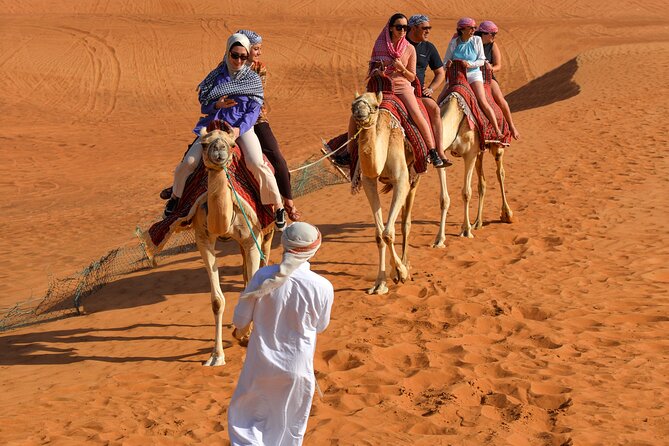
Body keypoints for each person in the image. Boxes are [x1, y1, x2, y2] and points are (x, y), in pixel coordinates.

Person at [228, 221, 334, 446]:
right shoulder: (323, 286)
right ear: (314, 249)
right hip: (297, 369)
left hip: (259, 368)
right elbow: (320, 326)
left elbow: (239, 320)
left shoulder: (262, 276)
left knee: (246, 425)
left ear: (284, 245)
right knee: (289, 430)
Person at [165, 33, 286, 229]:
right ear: (228, 53)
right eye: (234, 55)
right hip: (216, 126)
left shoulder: (253, 79)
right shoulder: (216, 76)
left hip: (241, 128)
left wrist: (239, 130)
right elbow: (204, 105)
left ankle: (278, 206)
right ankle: (175, 198)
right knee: (189, 162)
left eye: (242, 57)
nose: (238, 60)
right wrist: (217, 104)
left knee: (256, 163)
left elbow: (254, 111)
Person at [359, 13, 448, 168]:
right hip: (382, 86)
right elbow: (372, 69)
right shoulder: (379, 44)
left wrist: (400, 68)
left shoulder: (409, 49)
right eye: (399, 27)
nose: (402, 31)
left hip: (402, 87)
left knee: (417, 114)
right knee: (359, 110)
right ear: (391, 28)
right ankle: (349, 151)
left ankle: (433, 151)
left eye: (405, 28)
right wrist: (378, 72)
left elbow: (412, 77)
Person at [237, 29, 302, 221]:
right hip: (230, 118)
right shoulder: (226, 66)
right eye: (256, 49)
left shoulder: (259, 68)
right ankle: (179, 194)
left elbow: (255, 95)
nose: (258, 52)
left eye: (258, 49)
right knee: (200, 148)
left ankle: (288, 202)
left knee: (276, 157)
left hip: (255, 118)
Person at [442, 17, 502, 137]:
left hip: (473, 74)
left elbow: (481, 60)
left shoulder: (476, 40)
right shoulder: (454, 42)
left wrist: (469, 64)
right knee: (441, 99)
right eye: (471, 28)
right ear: (462, 29)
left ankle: (496, 129)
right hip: (457, 75)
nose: (474, 30)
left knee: (482, 101)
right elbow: (445, 61)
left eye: (475, 28)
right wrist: (447, 64)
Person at [406, 14, 453, 167]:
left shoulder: (428, 47)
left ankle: (439, 152)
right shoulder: (402, 43)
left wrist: (431, 89)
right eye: (424, 28)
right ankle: (348, 151)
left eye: (429, 28)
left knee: (435, 110)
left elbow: (440, 73)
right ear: (413, 28)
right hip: (398, 88)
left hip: (418, 92)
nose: (428, 31)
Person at [475, 20, 520, 139]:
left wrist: (491, 68)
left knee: (500, 99)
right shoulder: (472, 42)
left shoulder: (492, 45)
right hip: (471, 75)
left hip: (487, 76)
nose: (494, 37)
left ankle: (511, 126)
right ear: (484, 34)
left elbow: (498, 65)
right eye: (493, 34)